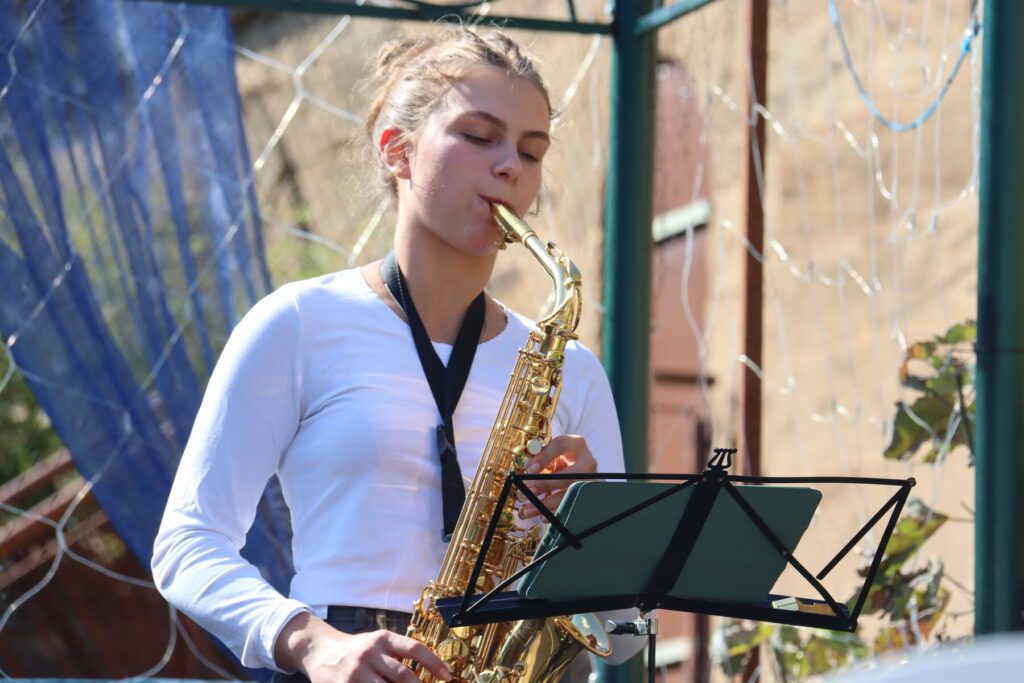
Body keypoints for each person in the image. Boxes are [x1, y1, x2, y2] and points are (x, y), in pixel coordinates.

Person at [152, 24, 629, 683]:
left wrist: (578, 532)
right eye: (479, 136)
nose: (510, 167)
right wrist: (310, 642)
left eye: (531, 150)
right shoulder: (299, 323)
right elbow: (186, 543)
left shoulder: (573, 369)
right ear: (397, 151)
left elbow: (623, 635)